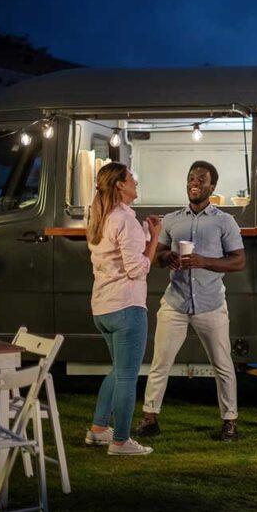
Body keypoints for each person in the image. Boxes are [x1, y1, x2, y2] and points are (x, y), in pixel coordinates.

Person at [135, 160, 246, 442]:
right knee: (160, 362)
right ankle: (150, 419)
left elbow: (238, 262)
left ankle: (230, 422)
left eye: (201, 179)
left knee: (222, 365)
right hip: (176, 302)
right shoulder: (172, 220)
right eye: (191, 178)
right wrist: (166, 258)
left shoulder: (225, 221)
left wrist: (204, 261)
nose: (194, 182)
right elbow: (155, 257)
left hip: (211, 304)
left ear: (212, 187)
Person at [85, 162, 161, 456]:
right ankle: (121, 442)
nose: (136, 182)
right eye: (131, 178)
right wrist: (155, 237)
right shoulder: (124, 219)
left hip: (102, 308)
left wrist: (144, 232)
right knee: (128, 376)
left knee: (118, 371)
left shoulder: (99, 217)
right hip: (127, 307)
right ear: (120, 185)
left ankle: (99, 430)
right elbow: (137, 269)